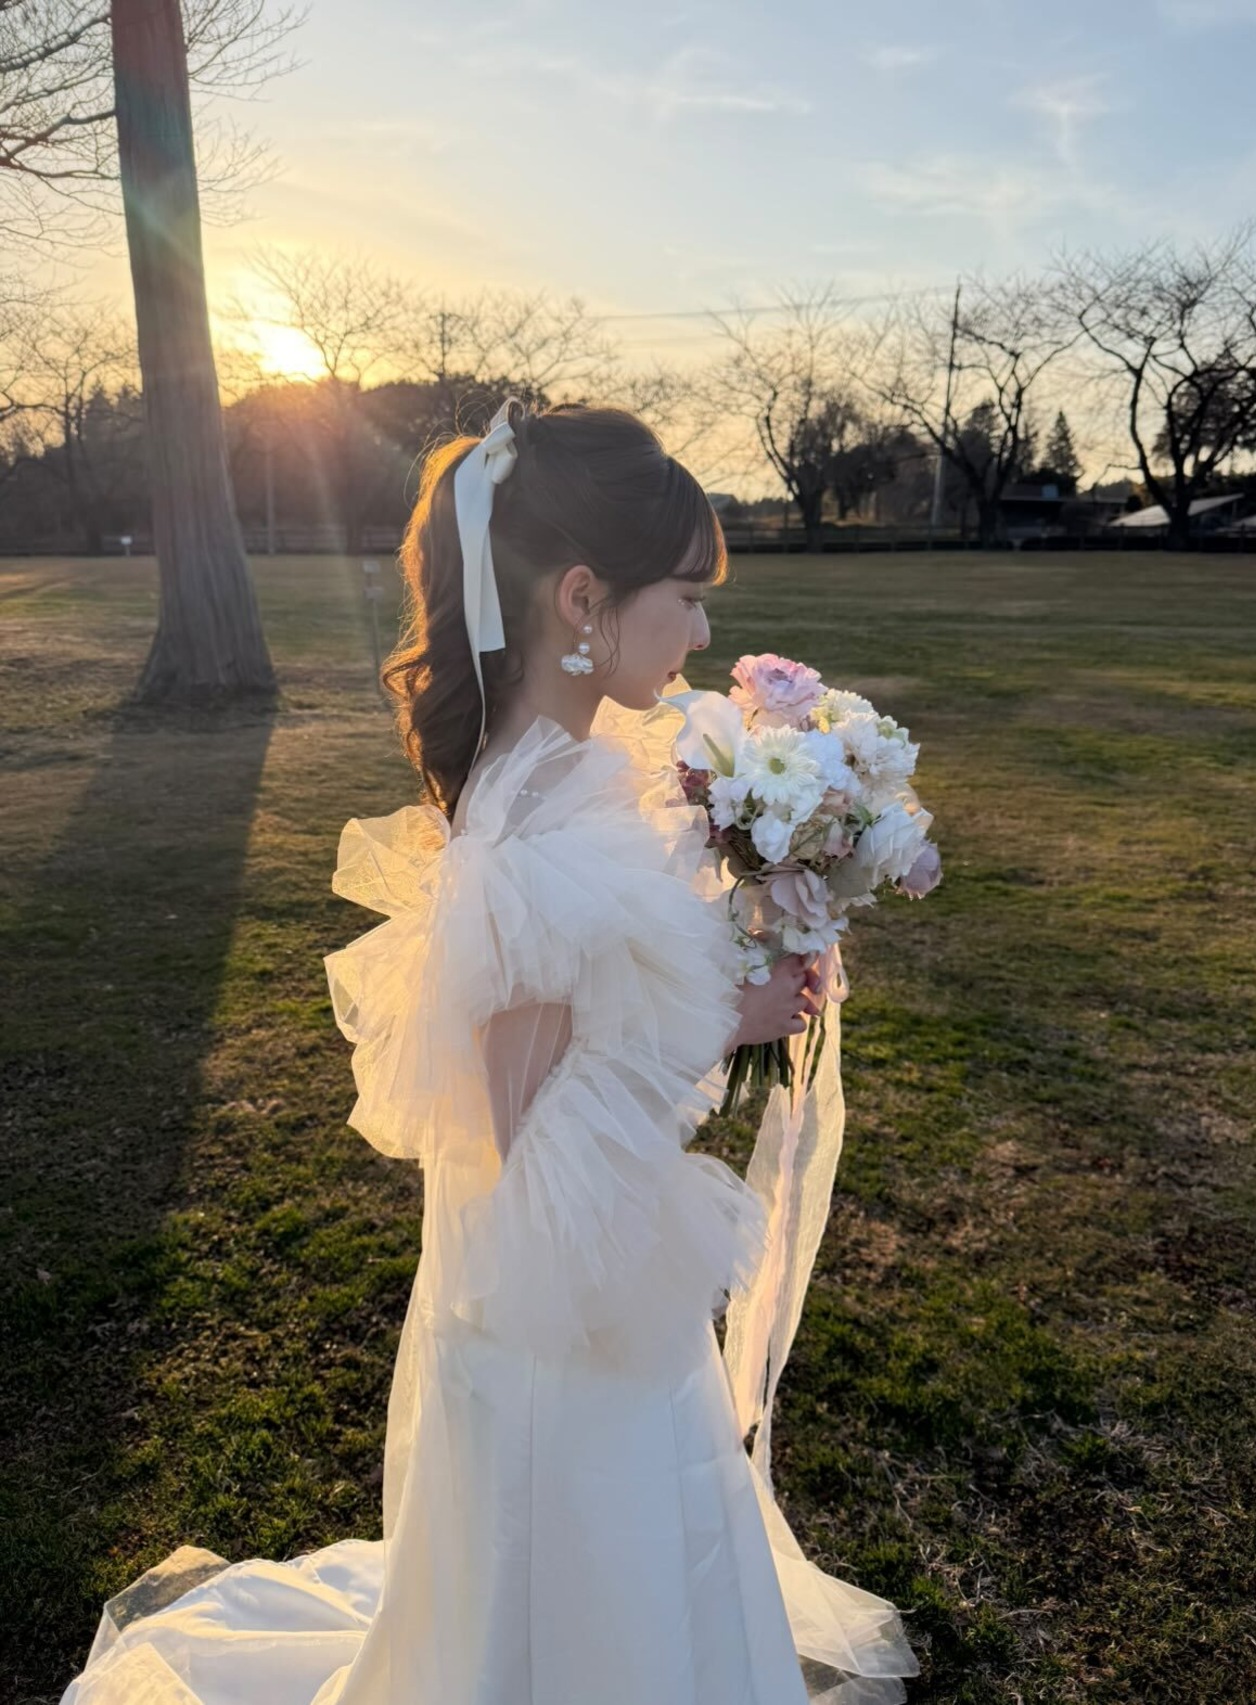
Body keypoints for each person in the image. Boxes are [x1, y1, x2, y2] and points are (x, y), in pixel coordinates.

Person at [57, 398, 920, 1704]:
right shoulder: (526, 838)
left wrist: (738, 942)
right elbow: (529, 1146)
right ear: (582, 598)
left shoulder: (586, 771)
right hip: (560, 1329)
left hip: (596, 1288)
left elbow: (602, 1002)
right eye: (686, 599)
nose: (702, 635)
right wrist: (722, 1017)